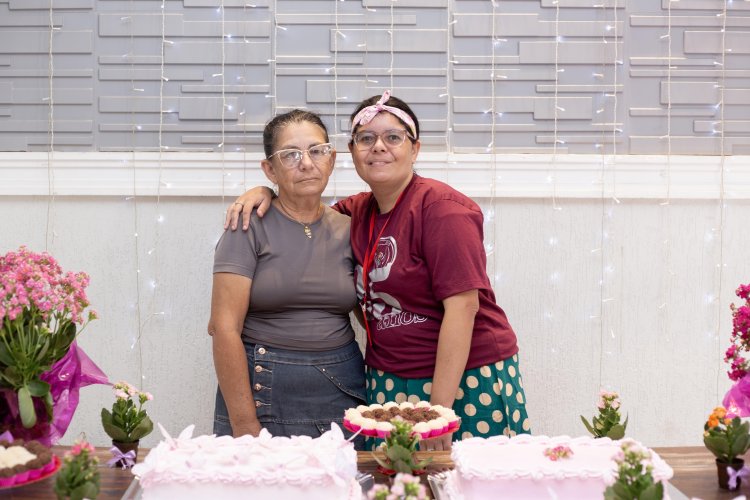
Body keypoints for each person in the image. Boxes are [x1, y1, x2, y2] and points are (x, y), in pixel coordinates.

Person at [225, 91, 530, 451]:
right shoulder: (355, 213)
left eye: (393, 137)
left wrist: (440, 412)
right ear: (351, 153)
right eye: (366, 139)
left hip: (464, 378)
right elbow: (301, 207)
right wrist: (264, 190)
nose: (379, 147)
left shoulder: (444, 210)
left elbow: (463, 309)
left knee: (465, 483)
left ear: (415, 149)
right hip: (387, 379)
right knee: (395, 485)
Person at [209, 109, 366, 446]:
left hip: (341, 387)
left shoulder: (351, 228)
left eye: (316, 150)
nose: (306, 163)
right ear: (270, 169)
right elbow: (223, 328)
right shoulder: (247, 226)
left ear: (332, 158)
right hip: (261, 389)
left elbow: (372, 316)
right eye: (290, 155)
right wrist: (245, 426)